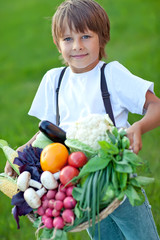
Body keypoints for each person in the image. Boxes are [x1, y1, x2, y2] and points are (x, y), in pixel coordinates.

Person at [5, 0, 160, 239]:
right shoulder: (53, 80)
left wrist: (138, 126)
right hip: (79, 188)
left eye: (86, 36)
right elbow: (46, 133)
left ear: (102, 37)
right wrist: (22, 151)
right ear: (57, 44)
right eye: (68, 39)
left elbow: (155, 105)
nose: (77, 46)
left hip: (116, 180)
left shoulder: (112, 74)